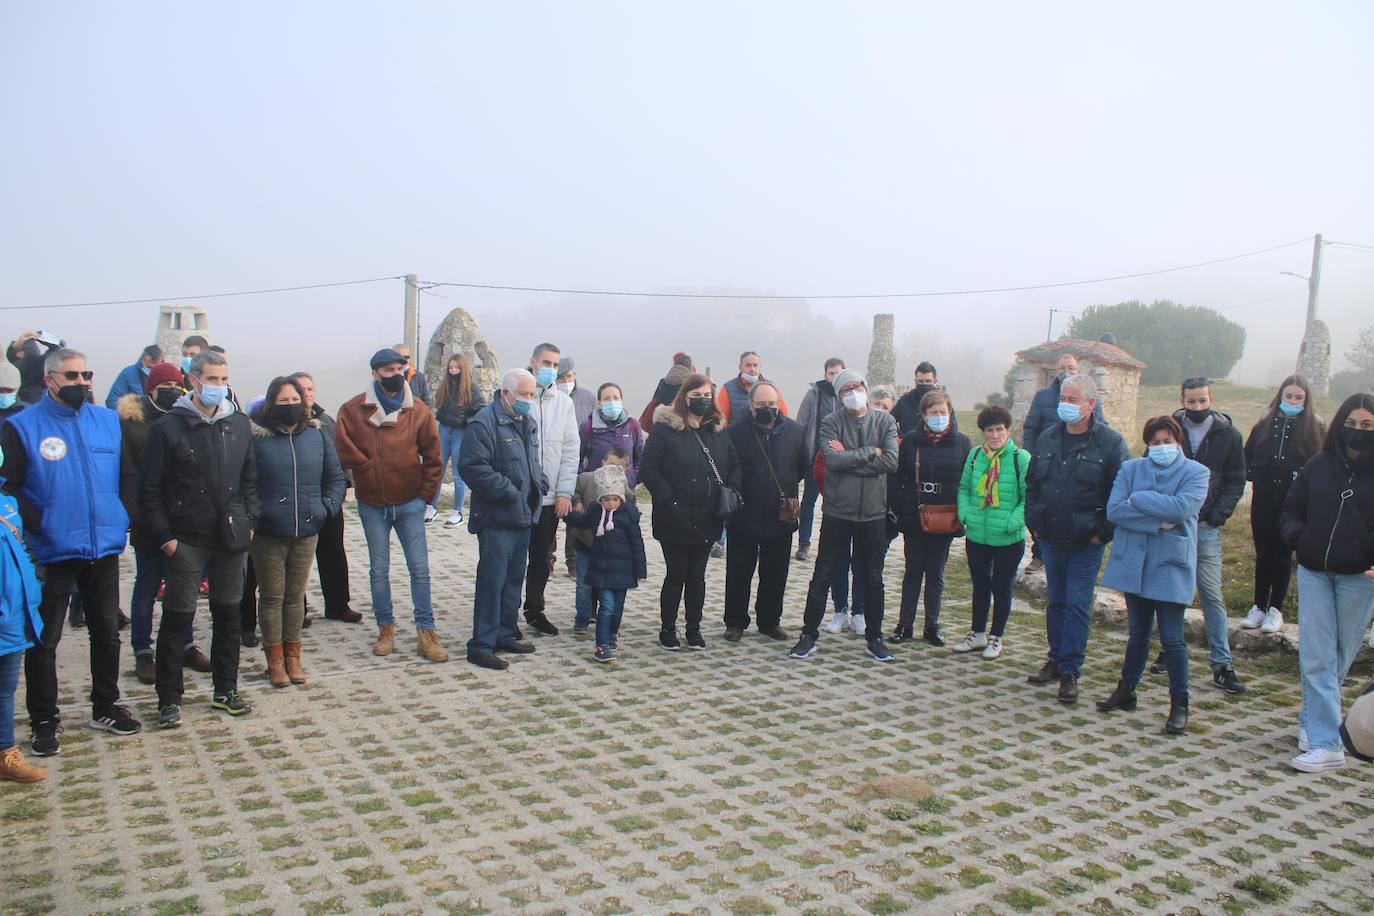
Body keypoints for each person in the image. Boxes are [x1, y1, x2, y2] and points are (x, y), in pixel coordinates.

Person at [0, 348, 141, 753]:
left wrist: (122, 514)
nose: (82, 382)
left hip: (104, 546)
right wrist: (41, 523)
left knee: (106, 632)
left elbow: (127, 475)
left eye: (86, 374)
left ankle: (106, 706)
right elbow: (9, 488)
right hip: (52, 550)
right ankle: (44, 720)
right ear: (49, 381)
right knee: (46, 641)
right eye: (72, 376)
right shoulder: (23, 426)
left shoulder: (107, 421)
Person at [139, 349, 258, 726]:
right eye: (211, 379)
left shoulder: (238, 423)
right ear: (193, 380)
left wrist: (249, 520)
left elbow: (249, 479)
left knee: (228, 616)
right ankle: (169, 699)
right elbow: (151, 489)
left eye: (224, 379)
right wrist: (166, 538)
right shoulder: (168, 427)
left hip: (231, 537)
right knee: (177, 619)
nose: (218, 387)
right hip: (186, 538)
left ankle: (226, 689)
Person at [1096, 416, 1210, 734]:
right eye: (1154, 442)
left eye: (1167, 441)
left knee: (1172, 638)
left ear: (1179, 441)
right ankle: (1127, 689)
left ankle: (1179, 703)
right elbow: (1114, 510)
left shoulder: (1197, 473)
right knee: (1138, 634)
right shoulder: (1132, 469)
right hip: (1134, 562)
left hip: (1170, 564)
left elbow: (1179, 510)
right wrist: (1154, 521)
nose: (1161, 447)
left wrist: (1139, 499)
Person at [1280, 392, 1374, 773]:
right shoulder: (1318, 466)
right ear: (1340, 424)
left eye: (1368, 426)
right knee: (1317, 654)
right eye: (1352, 424)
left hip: (1360, 577)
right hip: (1315, 571)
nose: (1358, 432)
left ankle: (1312, 722)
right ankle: (1327, 743)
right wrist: (1300, 539)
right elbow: (1290, 509)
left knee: (1336, 658)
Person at [334, 348, 447, 662]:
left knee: (419, 570)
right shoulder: (352, 409)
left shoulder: (419, 410)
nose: (396, 374)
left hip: (410, 501)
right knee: (379, 571)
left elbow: (434, 457)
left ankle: (427, 633)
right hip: (372, 503)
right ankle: (386, 629)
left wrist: (425, 496)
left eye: (401, 368)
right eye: (389, 370)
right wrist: (366, 467)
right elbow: (341, 445)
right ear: (375, 374)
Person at [1024, 374, 1129, 703]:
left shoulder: (1110, 443)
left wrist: (1103, 532)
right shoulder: (1048, 438)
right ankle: (1055, 659)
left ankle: (1070, 670)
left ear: (1090, 405)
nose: (1065, 406)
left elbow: (1121, 492)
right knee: (1056, 601)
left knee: (1078, 604)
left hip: (1087, 539)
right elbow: (1033, 486)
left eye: (1072, 401)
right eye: (1063, 400)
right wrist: (1035, 523)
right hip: (1051, 536)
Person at [788, 370, 899, 662]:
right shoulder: (831, 422)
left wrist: (852, 455)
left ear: (864, 387)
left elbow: (890, 461)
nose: (852, 392)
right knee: (822, 574)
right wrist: (869, 453)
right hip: (838, 511)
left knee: (873, 578)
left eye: (856, 386)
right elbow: (832, 460)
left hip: (873, 512)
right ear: (839, 396)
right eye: (845, 389)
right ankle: (808, 634)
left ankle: (874, 637)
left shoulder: (885, 421)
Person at [118, 361, 213, 684]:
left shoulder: (185, 417)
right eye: (166, 386)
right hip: (147, 521)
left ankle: (184, 644)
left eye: (178, 385)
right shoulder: (131, 424)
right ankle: (143, 651)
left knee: (182, 586)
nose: (173, 391)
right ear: (151, 390)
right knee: (146, 586)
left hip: (183, 521)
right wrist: (135, 517)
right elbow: (127, 475)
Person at [248, 377, 346, 687]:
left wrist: (325, 509)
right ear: (270, 404)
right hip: (268, 532)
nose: (290, 405)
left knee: (294, 598)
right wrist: (256, 516)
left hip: (306, 528)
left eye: (295, 399)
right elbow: (246, 482)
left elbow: (336, 477)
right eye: (283, 401)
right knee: (272, 597)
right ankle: (274, 660)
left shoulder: (316, 435)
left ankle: (294, 657)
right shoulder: (257, 438)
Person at [1156, 378, 1246, 694]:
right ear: (1182, 399)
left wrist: (1217, 515)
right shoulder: (1168, 431)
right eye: (1191, 402)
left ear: (1211, 399)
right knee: (1170, 591)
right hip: (1173, 524)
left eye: (1202, 402)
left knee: (1211, 595)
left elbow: (1236, 480)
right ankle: (1168, 650)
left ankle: (1222, 664)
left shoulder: (1229, 435)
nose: (1196, 408)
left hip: (1206, 527)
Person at [640, 374, 740, 650]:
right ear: (684, 396)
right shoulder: (666, 429)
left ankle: (693, 629)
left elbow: (733, 465)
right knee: (676, 574)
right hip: (673, 515)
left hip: (708, 515)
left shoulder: (717, 430)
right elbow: (648, 468)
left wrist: (731, 490)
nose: (702, 400)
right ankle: (668, 629)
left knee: (697, 575)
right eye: (696, 395)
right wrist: (668, 499)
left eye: (707, 395)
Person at [459, 368, 546, 670]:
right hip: (497, 517)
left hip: (523, 515)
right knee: (492, 583)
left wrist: (539, 483)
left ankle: (505, 634)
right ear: (506, 393)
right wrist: (509, 491)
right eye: (523, 394)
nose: (528, 400)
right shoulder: (484, 422)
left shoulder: (526, 422)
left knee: (512, 580)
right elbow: (471, 467)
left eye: (532, 394)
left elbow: (532, 462)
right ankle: (481, 645)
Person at [724, 381, 809, 642]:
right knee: (739, 572)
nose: (767, 408)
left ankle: (770, 621)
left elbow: (802, 466)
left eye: (771, 404)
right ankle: (735, 623)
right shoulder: (735, 432)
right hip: (744, 514)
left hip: (780, 515)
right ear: (751, 405)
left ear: (779, 402)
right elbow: (728, 467)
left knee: (775, 572)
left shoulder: (795, 431)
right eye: (761, 404)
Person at [1242, 375, 1325, 635]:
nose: (1292, 401)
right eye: (1288, 396)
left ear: (1306, 400)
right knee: (1263, 553)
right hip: (1264, 498)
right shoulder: (1264, 425)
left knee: (1282, 554)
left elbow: (1319, 466)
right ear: (1280, 396)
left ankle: (1276, 609)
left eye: (1298, 398)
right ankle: (1258, 606)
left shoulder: (1314, 428)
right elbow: (1248, 457)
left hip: (1293, 503)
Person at [888, 389, 971, 645]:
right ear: (924, 415)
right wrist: (902, 505)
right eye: (934, 412)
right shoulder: (911, 441)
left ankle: (932, 626)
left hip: (945, 517)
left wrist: (961, 509)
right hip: (915, 515)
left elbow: (967, 480)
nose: (939, 417)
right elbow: (897, 476)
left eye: (943, 412)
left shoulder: (962, 443)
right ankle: (904, 625)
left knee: (936, 574)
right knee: (913, 571)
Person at [955, 405, 1030, 659]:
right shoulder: (976, 456)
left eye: (1000, 429)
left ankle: (996, 637)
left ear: (1008, 431)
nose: (995, 435)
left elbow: (1028, 497)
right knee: (980, 585)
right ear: (983, 432)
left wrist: (1012, 522)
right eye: (990, 430)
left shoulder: (1021, 458)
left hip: (1008, 537)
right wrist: (965, 514)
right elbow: (964, 488)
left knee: (1001, 586)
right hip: (978, 534)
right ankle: (977, 633)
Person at [1020, 353, 1104, 571]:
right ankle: (1038, 555)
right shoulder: (1043, 396)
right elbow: (1030, 428)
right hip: (1047, 460)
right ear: (1055, 372)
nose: (1066, 371)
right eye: (1061, 367)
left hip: (1080, 461)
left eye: (1071, 368)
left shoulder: (1091, 399)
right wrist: (1031, 456)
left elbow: (1101, 427)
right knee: (1043, 506)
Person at [290, 371, 362, 623]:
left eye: (311, 388)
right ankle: (297, 609)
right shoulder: (285, 423)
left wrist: (339, 491)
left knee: (333, 552)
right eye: (301, 389)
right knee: (297, 559)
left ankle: (338, 605)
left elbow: (341, 459)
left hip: (328, 500)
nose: (307, 393)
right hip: (298, 502)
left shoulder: (327, 421)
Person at [520, 343, 580, 636]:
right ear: (533, 361)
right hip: (519, 497)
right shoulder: (520, 399)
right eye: (547, 363)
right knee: (514, 557)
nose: (551, 370)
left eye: (556, 365)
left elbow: (571, 450)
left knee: (541, 558)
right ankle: (506, 614)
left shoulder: (564, 404)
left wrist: (565, 492)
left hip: (550, 497)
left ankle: (535, 610)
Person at [562, 465, 647, 663]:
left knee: (617, 608)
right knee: (606, 607)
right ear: (600, 499)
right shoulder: (595, 513)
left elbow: (637, 545)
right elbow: (581, 521)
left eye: (615, 499)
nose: (611, 503)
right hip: (602, 572)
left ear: (621, 499)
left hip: (623, 572)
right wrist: (565, 513)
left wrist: (639, 569)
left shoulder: (628, 517)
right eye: (607, 499)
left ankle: (612, 633)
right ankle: (602, 645)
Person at [572, 383, 644, 580]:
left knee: (617, 546)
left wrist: (632, 478)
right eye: (607, 398)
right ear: (598, 402)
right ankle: (589, 601)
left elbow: (640, 458)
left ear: (621, 400)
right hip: (595, 498)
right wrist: (585, 480)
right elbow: (576, 458)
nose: (612, 402)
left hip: (623, 497)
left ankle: (611, 598)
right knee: (592, 544)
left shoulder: (633, 426)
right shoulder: (587, 428)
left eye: (616, 398)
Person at [0, 467, 46, 783]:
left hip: (14, 616)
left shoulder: (7, 503)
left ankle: (6, 753)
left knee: (5, 691)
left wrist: (33, 585)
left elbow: (21, 551)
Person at [569, 449, 636, 634]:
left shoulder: (625, 489)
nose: (614, 469)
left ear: (627, 469)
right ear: (602, 462)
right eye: (611, 464)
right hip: (586, 540)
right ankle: (582, 618)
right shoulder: (586, 478)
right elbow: (573, 489)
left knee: (605, 584)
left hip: (609, 548)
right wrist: (576, 502)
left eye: (620, 468)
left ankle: (605, 618)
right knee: (583, 582)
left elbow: (631, 508)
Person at [794, 358, 846, 561]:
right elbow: (801, 424)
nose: (834, 377)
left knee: (836, 503)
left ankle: (832, 543)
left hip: (842, 458)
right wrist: (801, 451)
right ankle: (803, 543)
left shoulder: (849, 395)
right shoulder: (814, 394)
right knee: (808, 501)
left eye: (838, 373)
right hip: (815, 456)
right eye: (831, 373)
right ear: (825, 374)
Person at [430, 355, 486, 529]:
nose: (453, 370)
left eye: (456, 367)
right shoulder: (446, 386)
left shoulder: (471, 388)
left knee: (457, 473)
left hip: (460, 432)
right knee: (437, 468)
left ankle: (457, 511)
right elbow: (439, 404)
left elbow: (480, 409)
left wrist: (465, 422)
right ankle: (431, 507)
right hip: (444, 429)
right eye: (451, 367)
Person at [714, 350, 789, 428]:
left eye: (755, 365)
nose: (752, 369)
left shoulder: (771, 388)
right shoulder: (728, 389)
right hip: (737, 437)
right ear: (740, 367)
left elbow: (783, 416)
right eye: (748, 365)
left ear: (760, 367)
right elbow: (721, 420)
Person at [892, 362, 958, 437]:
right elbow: (890, 420)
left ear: (935, 381)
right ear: (916, 381)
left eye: (928, 381)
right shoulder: (905, 400)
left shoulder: (943, 402)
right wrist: (899, 435)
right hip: (909, 445)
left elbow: (953, 428)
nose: (924, 384)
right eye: (921, 381)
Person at [640, 355, 693, 433]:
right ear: (689, 366)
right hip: (680, 425)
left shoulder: (663, 381)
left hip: (659, 421)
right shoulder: (690, 382)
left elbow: (654, 400)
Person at [104, 344, 162, 409]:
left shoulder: (167, 378)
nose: (151, 370)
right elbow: (112, 400)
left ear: (161, 362)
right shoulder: (128, 373)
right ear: (142, 359)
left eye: (155, 368)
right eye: (148, 367)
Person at [557, 357, 597, 424]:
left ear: (574, 375)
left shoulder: (589, 398)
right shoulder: (549, 399)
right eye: (561, 377)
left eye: (568, 376)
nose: (566, 381)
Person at [392, 342, 430, 407]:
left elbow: (426, 402)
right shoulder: (386, 376)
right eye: (399, 356)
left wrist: (422, 416)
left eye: (406, 357)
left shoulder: (419, 377)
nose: (403, 360)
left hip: (415, 415)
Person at [0, 362, 26, 430]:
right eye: (0, 390)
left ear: (17, 388)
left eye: (9, 391)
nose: (4, 394)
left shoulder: (28, 414)